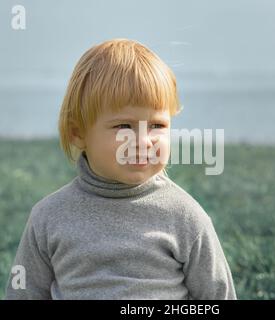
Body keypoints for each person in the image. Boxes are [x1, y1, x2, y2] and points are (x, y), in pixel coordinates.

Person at [4, 38, 236, 300]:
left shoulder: (185, 217)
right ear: (77, 134)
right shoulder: (48, 218)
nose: (143, 141)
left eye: (157, 126)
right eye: (124, 126)